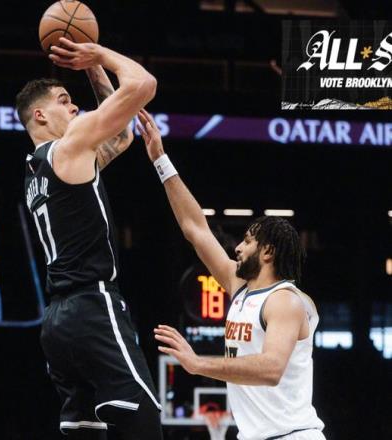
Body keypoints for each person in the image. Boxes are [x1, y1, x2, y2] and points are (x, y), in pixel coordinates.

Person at [137, 109, 325, 440]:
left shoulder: (285, 302)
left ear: (268, 252)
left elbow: (271, 369)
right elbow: (195, 228)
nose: (237, 247)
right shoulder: (240, 287)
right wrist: (160, 161)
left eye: (247, 241)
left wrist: (198, 363)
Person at [16, 39, 162, 440]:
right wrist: (99, 54)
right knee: (145, 422)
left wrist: (90, 70)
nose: (75, 107)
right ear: (40, 115)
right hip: (93, 304)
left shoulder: (36, 172)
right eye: (64, 101)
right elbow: (144, 85)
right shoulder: (71, 145)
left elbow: (122, 138)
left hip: (56, 323)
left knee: (84, 433)